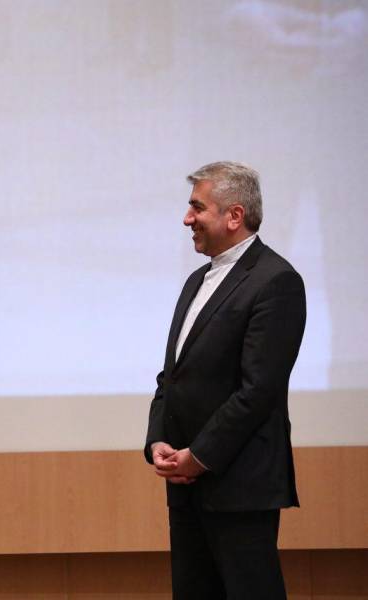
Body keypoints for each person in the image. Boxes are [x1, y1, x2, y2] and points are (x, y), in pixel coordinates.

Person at [144, 162, 307, 599]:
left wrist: (200, 456)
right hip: (186, 485)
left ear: (234, 215)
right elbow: (171, 376)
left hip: (239, 486)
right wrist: (158, 440)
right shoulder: (196, 280)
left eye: (197, 207)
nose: (187, 219)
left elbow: (258, 390)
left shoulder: (276, 281)